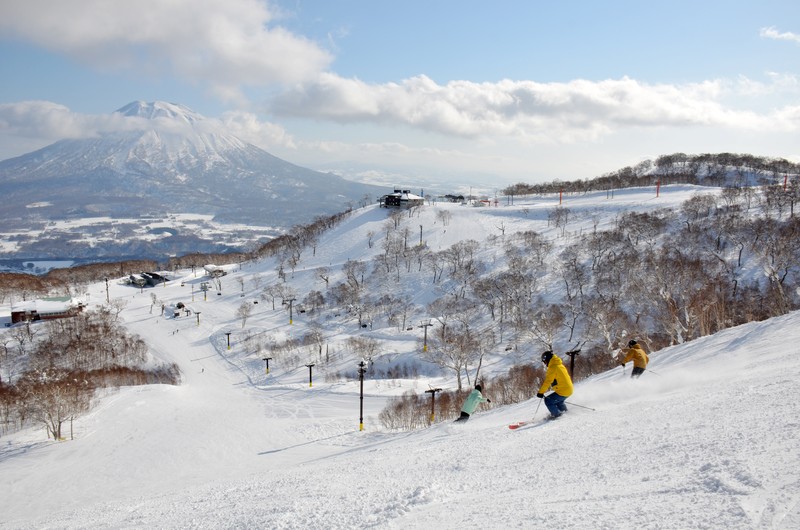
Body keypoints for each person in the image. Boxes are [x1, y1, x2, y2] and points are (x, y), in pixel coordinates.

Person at [537, 351, 574, 419]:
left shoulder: (553, 367)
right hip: (569, 389)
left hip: (564, 390)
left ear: (547, 359)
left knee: (548, 401)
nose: (545, 364)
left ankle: (557, 415)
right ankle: (565, 413)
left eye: (544, 361)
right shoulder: (559, 365)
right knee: (558, 402)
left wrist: (541, 392)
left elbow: (548, 381)